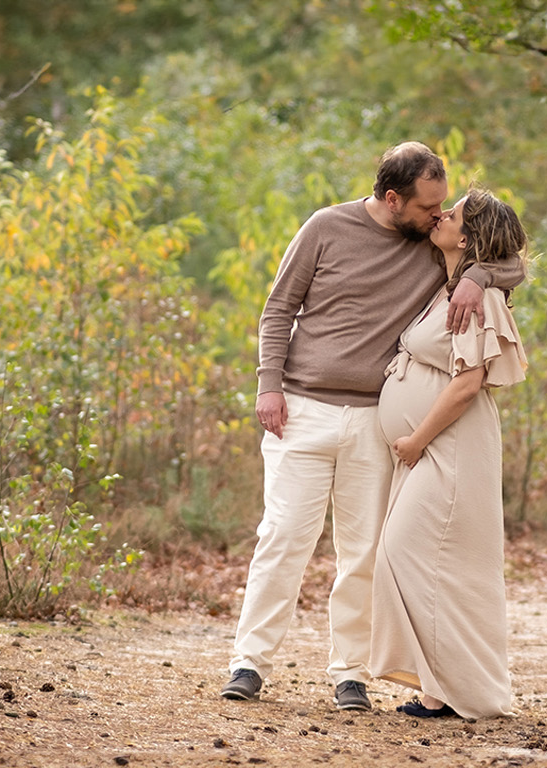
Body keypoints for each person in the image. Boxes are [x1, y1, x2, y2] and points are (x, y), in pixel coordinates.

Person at [222, 142, 523, 710]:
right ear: (392, 198)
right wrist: (268, 385)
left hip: (371, 425)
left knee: (362, 552)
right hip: (301, 410)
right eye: (429, 207)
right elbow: (278, 307)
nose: (439, 216)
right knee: (283, 538)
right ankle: (248, 662)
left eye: (444, 208)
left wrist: (477, 276)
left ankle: (349, 674)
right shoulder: (325, 227)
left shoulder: (434, 249)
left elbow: (512, 260)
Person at [369, 188, 529, 720]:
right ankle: (439, 691)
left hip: (451, 446)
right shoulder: (450, 287)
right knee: (437, 565)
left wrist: (416, 439)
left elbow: (467, 384)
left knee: (406, 551)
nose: (441, 215)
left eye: (453, 214)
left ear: (466, 236)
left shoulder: (477, 297)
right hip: (434, 447)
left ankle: (462, 690)